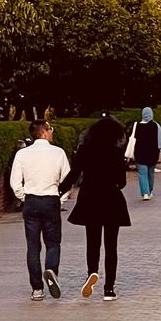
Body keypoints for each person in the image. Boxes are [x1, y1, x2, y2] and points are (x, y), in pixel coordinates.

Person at [62, 115, 130, 302]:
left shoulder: (85, 150)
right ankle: (109, 289)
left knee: (92, 242)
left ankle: (92, 272)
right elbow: (122, 182)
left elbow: (74, 175)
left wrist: (58, 190)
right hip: (111, 198)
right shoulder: (115, 152)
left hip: (90, 197)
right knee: (111, 245)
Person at [9, 119, 70, 301]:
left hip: (31, 201)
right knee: (53, 243)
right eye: (50, 129)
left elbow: (14, 182)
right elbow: (67, 180)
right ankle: (51, 272)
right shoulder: (58, 152)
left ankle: (37, 288)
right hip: (51, 200)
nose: (52, 132)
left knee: (33, 246)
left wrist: (24, 197)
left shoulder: (22, 154)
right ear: (44, 132)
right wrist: (61, 199)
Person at [130, 107, 161, 200]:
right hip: (152, 153)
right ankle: (150, 191)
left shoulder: (137, 125)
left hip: (140, 153)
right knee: (151, 173)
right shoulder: (155, 125)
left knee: (142, 173)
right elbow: (160, 140)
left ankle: (145, 193)